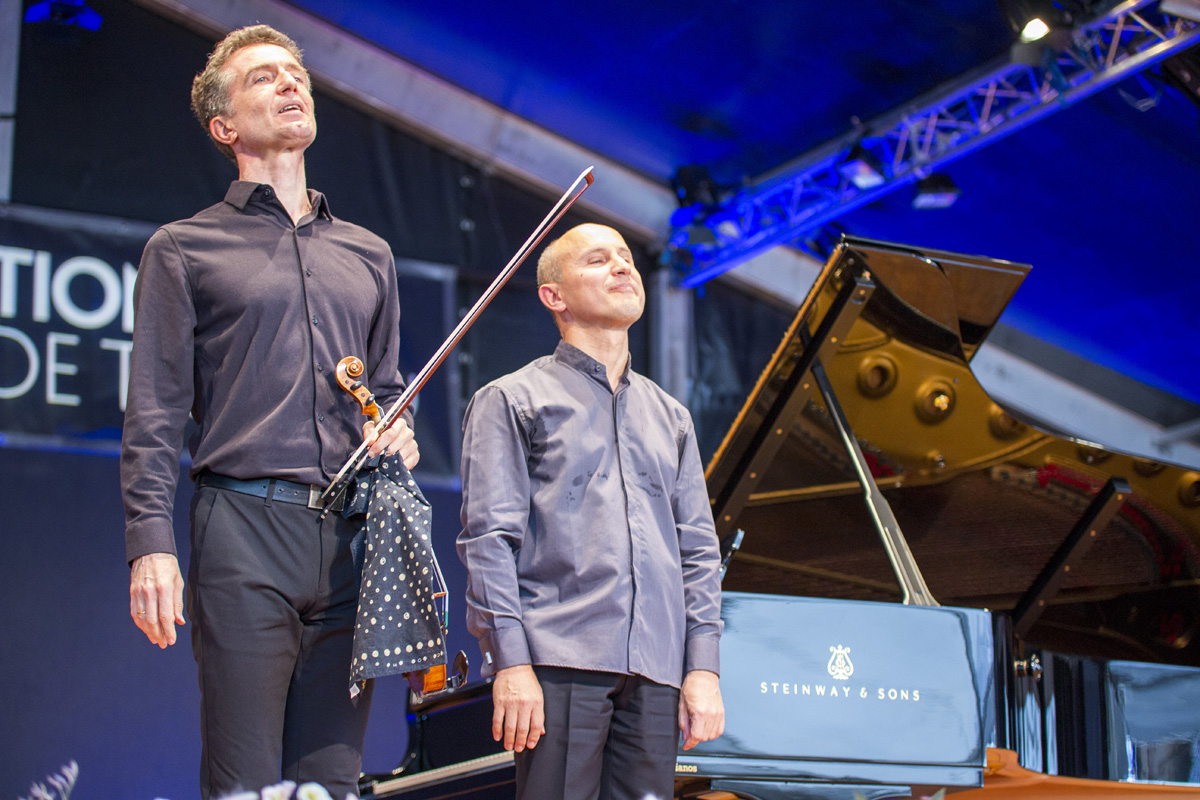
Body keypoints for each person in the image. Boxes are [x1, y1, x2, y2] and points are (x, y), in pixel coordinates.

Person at [120, 25, 418, 799]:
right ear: (225, 127)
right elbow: (154, 411)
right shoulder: (184, 248)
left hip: (352, 536)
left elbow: (385, 386)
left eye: (296, 74)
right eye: (264, 78)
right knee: (245, 781)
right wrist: (150, 546)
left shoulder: (369, 252)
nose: (291, 84)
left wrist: (397, 428)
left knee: (331, 780)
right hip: (243, 528)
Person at [457, 223, 725, 800]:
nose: (623, 267)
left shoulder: (672, 417)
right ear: (554, 295)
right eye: (598, 260)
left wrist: (702, 667)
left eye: (626, 257)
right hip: (559, 659)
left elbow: (699, 552)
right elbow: (488, 541)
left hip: (657, 670)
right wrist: (511, 663)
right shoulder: (512, 399)